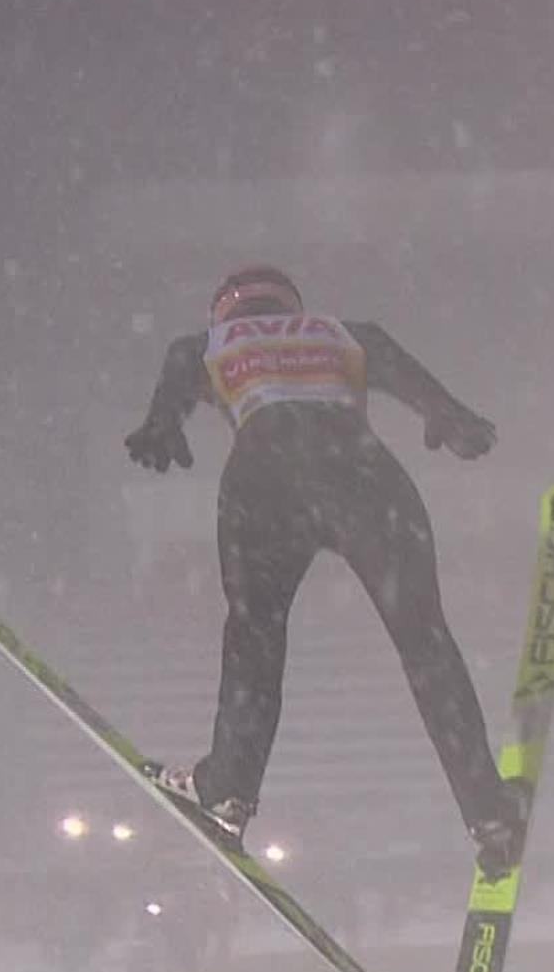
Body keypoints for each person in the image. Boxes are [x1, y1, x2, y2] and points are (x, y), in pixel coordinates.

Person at [121, 265, 528, 878]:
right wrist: (450, 414)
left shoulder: (206, 344)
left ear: (224, 311)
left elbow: (179, 380)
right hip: (362, 474)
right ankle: (487, 810)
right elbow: (397, 366)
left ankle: (227, 789)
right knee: (424, 639)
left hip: (264, 477)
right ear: (291, 304)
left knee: (255, 638)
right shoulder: (344, 332)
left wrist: (162, 424)